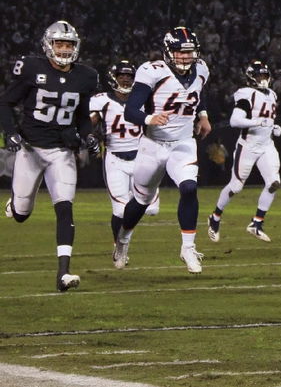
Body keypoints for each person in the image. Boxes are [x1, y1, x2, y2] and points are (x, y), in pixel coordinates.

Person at [1, 20, 99, 291]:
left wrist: (87, 135)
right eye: (60, 44)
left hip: (61, 153)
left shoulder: (85, 76)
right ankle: (15, 205)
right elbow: (5, 102)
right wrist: (10, 132)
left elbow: (82, 116)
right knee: (21, 214)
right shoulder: (32, 68)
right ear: (48, 45)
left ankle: (63, 273)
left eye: (69, 44)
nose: (65, 49)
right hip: (30, 150)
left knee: (65, 207)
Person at [113, 27, 212, 273]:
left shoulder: (201, 69)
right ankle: (123, 240)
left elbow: (197, 94)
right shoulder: (151, 71)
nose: (186, 57)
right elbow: (131, 110)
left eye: (189, 52)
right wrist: (149, 119)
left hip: (183, 141)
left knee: (189, 187)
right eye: (180, 52)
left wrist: (203, 115)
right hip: (153, 144)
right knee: (141, 200)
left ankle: (188, 248)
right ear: (169, 52)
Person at [89, 60, 160, 266]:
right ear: (114, 78)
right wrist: (89, 135)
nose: (126, 79)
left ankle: (124, 234)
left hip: (141, 157)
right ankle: (120, 246)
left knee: (151, 209)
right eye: (122, 76)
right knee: (120, 210)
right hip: (114, 158)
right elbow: (88, 122)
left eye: (130, 76)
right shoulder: (101, 101)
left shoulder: (145, 100)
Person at [207, 60, 281, 242]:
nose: (262, 79)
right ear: (250, 78)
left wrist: (274, 128)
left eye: (264, 75)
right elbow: (235, 120)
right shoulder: (246, 94)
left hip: (266, 145)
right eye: (259, 76)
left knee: (274, 182)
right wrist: (258, 122)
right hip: (248, 145)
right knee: (236, 186)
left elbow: (267, 119)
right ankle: (215, 217)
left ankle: (256, 223)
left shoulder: (272, 94)